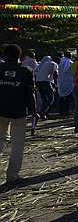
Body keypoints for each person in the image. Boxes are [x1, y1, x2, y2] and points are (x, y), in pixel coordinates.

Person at [0, 44, 37, 186]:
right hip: (18, 111)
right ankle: (12, 176)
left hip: (1, 110)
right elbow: (30, 94)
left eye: (4, 54)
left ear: (9, 56)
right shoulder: (26, 71)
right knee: (17, 143)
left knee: (1, 139)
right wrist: (34, 111)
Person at [34, 55, 58, 119]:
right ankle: (43, 111)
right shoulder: (54, 64)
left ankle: (45, 114)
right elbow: (55, 74)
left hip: (38, 81)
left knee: (44, 98)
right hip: (45, 82)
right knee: (51, 97)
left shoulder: (45, 64)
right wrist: (56, 82)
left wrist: (52, 83)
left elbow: (47, 74)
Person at [56, 51, 74, 116]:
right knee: (67, 97)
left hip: (60, 80)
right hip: (68, 81)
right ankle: (65, 110)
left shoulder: (60, 61)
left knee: (61, 96)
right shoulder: (69, 62)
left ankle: (61, 110)